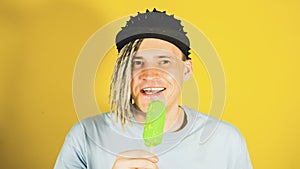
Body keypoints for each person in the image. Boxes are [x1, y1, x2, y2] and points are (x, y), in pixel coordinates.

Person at [54, 9, 252, 169]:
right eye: (137, 62)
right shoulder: (85, 136)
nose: (149, 74)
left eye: (164, 61)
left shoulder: (226, 141)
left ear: (186, 70)